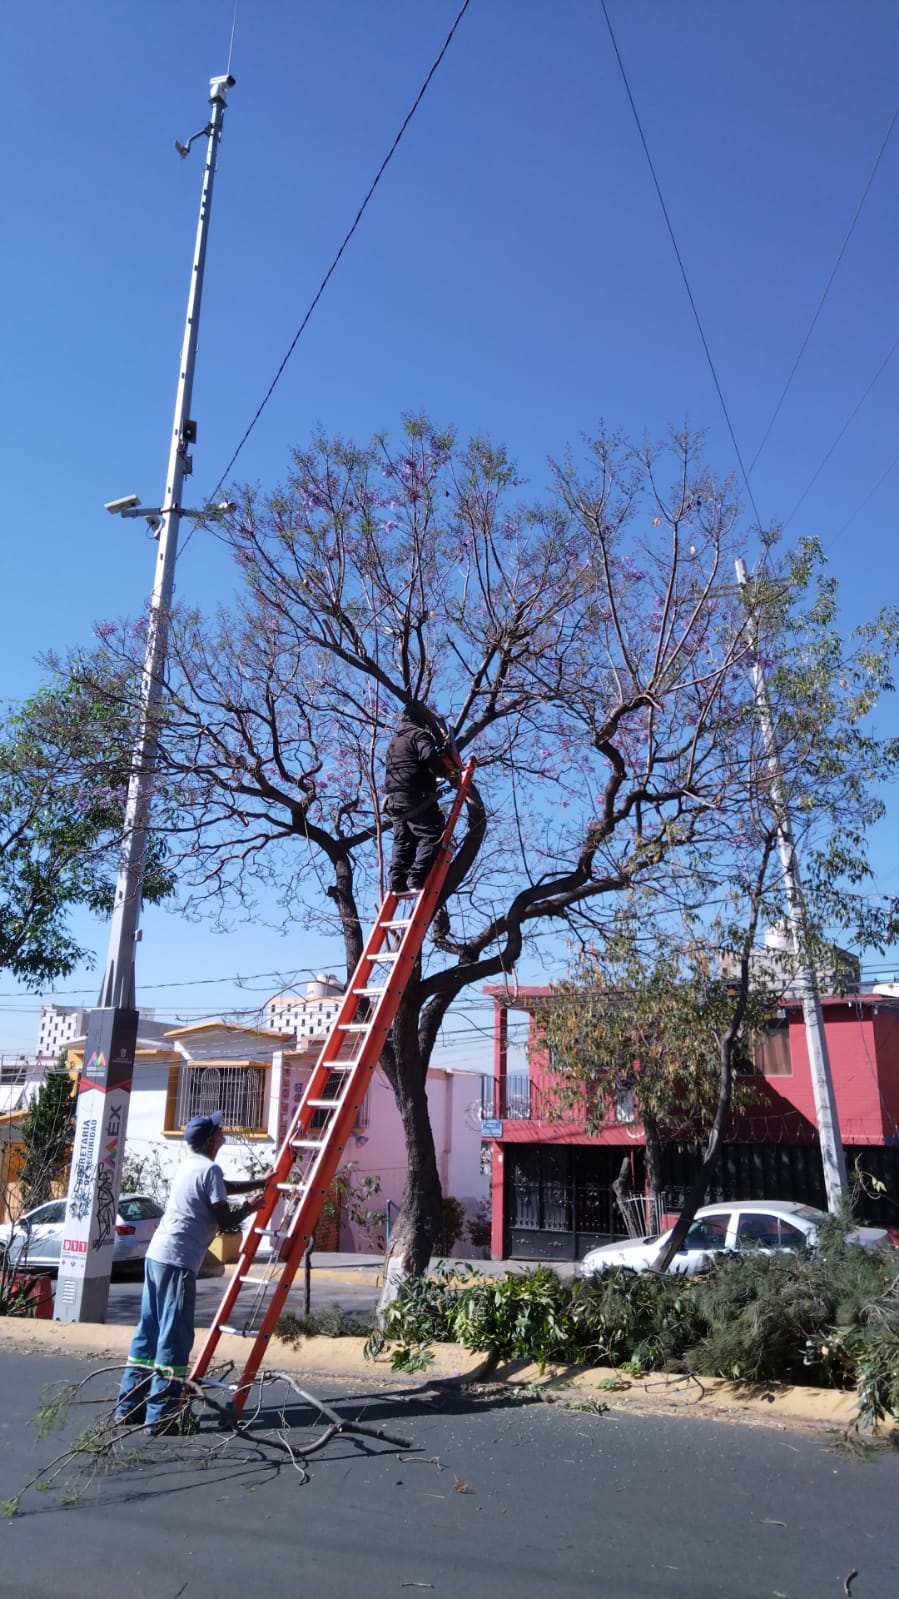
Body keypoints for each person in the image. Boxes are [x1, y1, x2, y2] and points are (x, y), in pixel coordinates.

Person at [115, 1111, 269, 1434]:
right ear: (212, 1139)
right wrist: (252, 1207)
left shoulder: (192, 1164)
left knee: (149, 1332)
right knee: (175, 1336)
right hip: (178, 1261)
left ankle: (129, 1406)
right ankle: (162, 1416)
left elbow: (224, 1187)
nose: (224, 1133)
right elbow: (226, 1220)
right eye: (221, 1130)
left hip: (157, 1256)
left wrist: (261, 1182)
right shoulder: (209, 1169)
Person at [384, 702, 461, 893]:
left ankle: (397, 880)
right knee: (433, 832)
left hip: (395, 799)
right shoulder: (418, 734)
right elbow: (429, 758)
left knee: (404, 841)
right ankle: (417, 877)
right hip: (414, 795)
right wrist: (451, 774)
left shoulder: (395, 740)